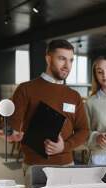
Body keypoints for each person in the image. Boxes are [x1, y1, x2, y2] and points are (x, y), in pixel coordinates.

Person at [9, 39, 89, 174]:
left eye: (70, 60)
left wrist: (64, 146)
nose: (67, 65)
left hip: (67, 166)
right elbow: (13, 125)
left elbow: (84, 130)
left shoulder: (74, 96)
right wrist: (13, 132)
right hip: (35, 166)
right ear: (48, 59)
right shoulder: (25, 89)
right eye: (62, 59)